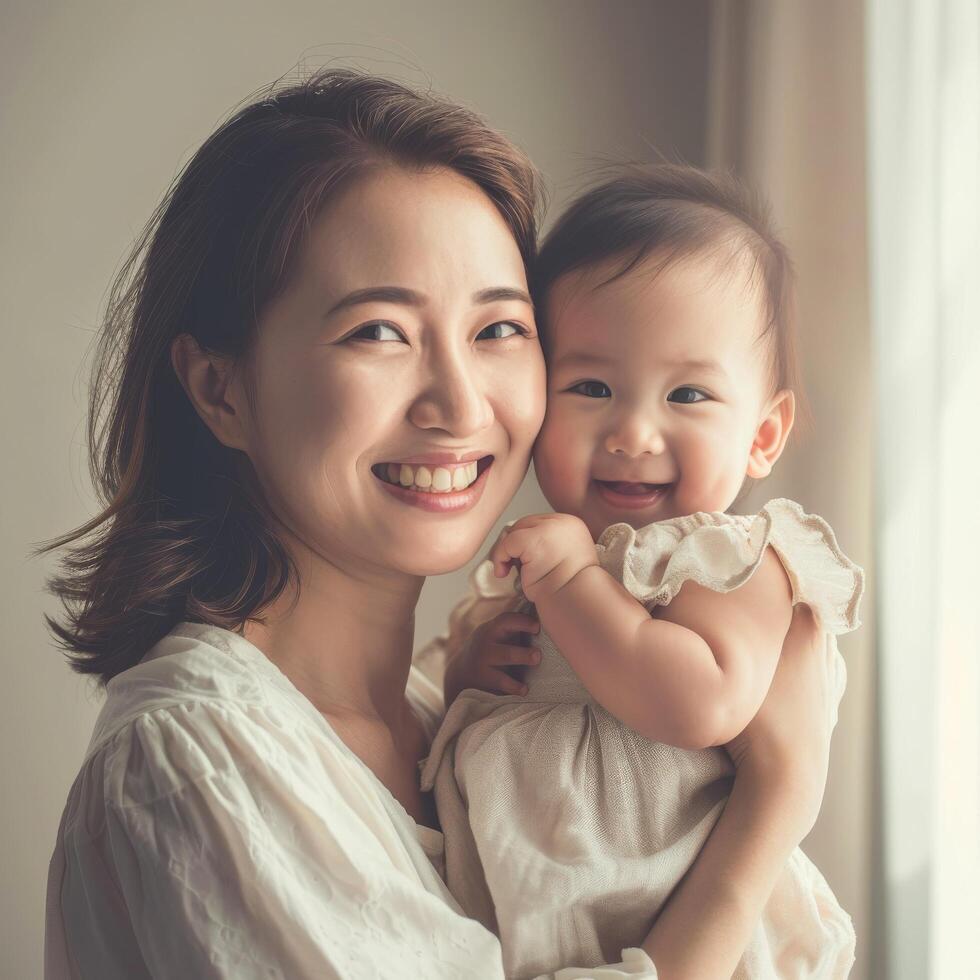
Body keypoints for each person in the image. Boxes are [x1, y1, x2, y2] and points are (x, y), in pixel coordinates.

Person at [42, 71, 836, 979]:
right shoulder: (196, 763)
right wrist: (775, 804)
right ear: (221, 389)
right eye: (379, 332)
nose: (460, 406)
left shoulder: (458, 713)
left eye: (499, 329)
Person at [420, 165, 864, 979]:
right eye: (591, 386)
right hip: (544, 920)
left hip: (695, 935)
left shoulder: (732, 558)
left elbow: (700, 699)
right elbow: (498, 713)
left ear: (763, 436)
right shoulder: (556, 555)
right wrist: (471, 674)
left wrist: (569, 587)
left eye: (688, 394)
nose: (632, 431)